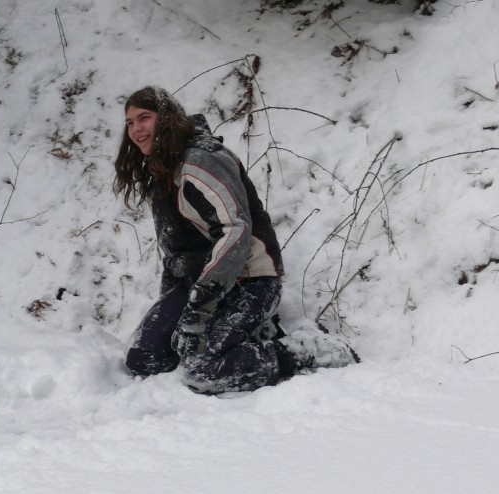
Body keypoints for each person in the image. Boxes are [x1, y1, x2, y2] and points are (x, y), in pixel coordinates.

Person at [113, 86, 356, 394]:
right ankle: (240, 339)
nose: (136, 129)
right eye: (130, 122)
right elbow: (177, 250)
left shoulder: (202, 161)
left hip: (249, 280)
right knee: (144, 358)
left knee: (201, 371)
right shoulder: (163, 172)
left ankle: (303, 350)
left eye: (144, 118)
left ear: (167, 118)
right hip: (197, 283)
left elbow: (235, 229)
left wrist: (202, 305)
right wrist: (173, 308)